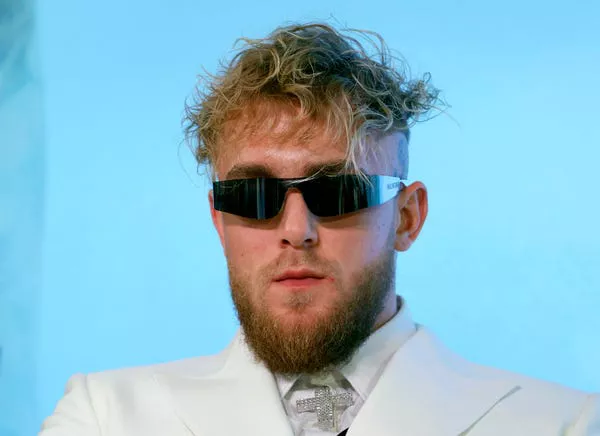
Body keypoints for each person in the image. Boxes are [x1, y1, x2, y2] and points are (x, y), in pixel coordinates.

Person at [40, 22, 599, 436]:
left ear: (407, 217)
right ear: (218, 219)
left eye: (336, 191)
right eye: (253, 195)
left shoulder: (566, 424)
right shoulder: (103, 416)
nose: (296, 229)